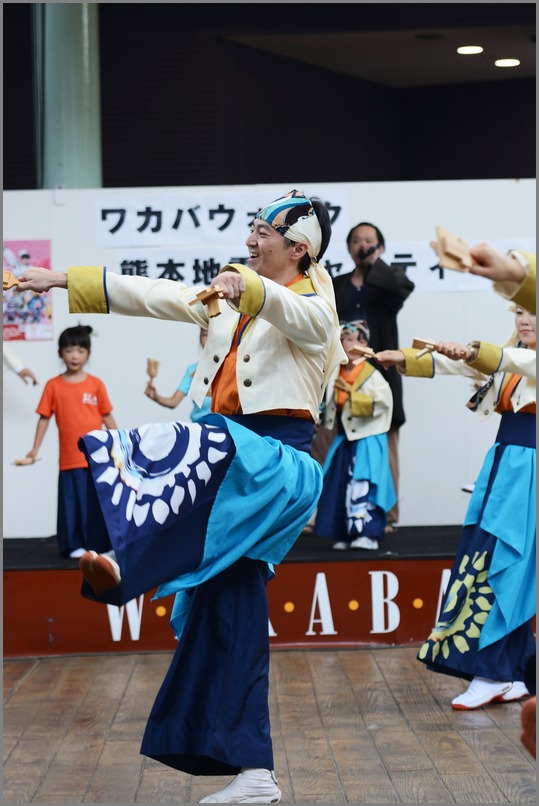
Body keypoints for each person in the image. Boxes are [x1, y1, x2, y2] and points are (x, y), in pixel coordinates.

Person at [16, 189, 346, 804]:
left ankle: (132, 562)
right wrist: (60, 278)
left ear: (297, 248)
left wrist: (248, 288)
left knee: (195, 438)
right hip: (232, 464)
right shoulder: (229, 300)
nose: (250, 241)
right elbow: (157, 294)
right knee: (230, 602)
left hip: (271, 463)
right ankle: (253, 772)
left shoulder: (314, 301)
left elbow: (306, 322)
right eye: (249, 230)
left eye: (263, 235)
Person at [376, 302, 536, 710]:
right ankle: (514, 671)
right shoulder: (510, 352)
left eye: (533, 312)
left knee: (505, 563)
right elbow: (471, 366)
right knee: (498, 560)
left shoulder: (519, 356)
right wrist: (405, 358)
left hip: (527, 469)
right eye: (519, 311)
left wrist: (472, 352)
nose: (524, 319)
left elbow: (503, 360)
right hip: (509, 461)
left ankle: (492, 671)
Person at [332, 222, 414, 532]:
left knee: (384, 446)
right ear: (348, 247)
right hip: (340, 377)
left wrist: (373, 263)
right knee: (331, 445)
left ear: (380, 247)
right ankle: (332, 517)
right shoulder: (336, 284)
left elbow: (402, 290)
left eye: (369, 241)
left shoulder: (388, 281)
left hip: (379, 378)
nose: (361, 246)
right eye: (356, 241)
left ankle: (386, 516)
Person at [24, 325, 118, 559]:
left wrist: (120, 444)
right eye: (68, 350)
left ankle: (99, 545)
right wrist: (34, 450)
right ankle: (73, 544)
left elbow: (107, 417)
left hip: (96, 456)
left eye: (79, 350)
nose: (74, 356)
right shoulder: (53, 386)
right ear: (60, 353)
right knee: (71, 504)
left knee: (97, 504)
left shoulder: (96, 385)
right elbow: (44, 419)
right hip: (69, 458)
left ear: (88, 354)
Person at [313, 320, 396, 551]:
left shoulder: (372, 374)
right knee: (339, 482)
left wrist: (351, 395)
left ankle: (367, 534)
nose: (348, 345)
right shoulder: (335, 372)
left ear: (364, 344)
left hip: (368, 439)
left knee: (362, 485)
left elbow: (384, 403)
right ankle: (345, 533)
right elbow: (325, 402)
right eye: (344, 339)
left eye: (353, 340)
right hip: (345, 438)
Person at [144, 328, 212, 422]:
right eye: (205, 334)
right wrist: (156, 397)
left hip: (227, 427)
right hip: (200, 427)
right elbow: (173, 402)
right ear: (199, 338)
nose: (210, 339)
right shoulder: (192, 371)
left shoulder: (233, 369)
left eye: (215, 334)